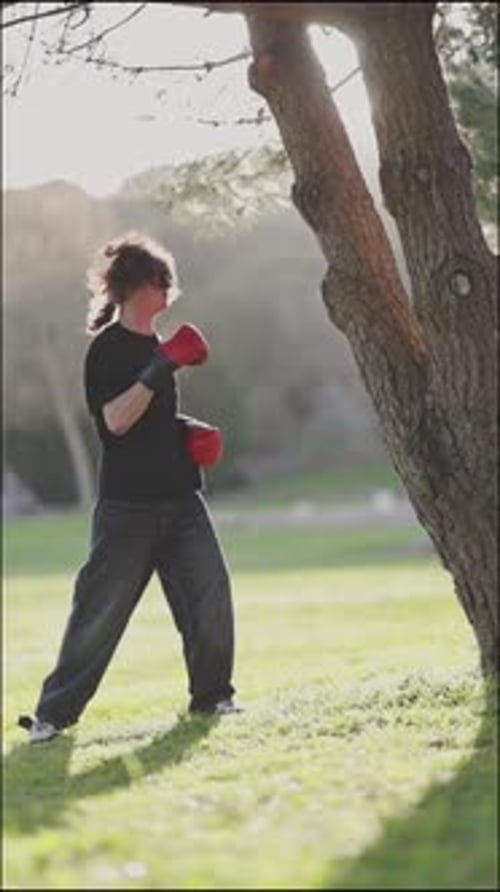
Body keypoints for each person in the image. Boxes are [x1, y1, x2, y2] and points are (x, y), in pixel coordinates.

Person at [19, 231, 239, 744]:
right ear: (139, 285)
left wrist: (188, 431)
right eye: (164, 281)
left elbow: (150, 419)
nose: (170, 290)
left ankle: (213, 697)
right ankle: (52, 716)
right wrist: (161, 367)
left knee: (210, 597)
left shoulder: (158, 347)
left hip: (181, 499)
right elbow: (116, 421)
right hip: (129, 510)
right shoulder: (108, 350)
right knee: (99, 613)